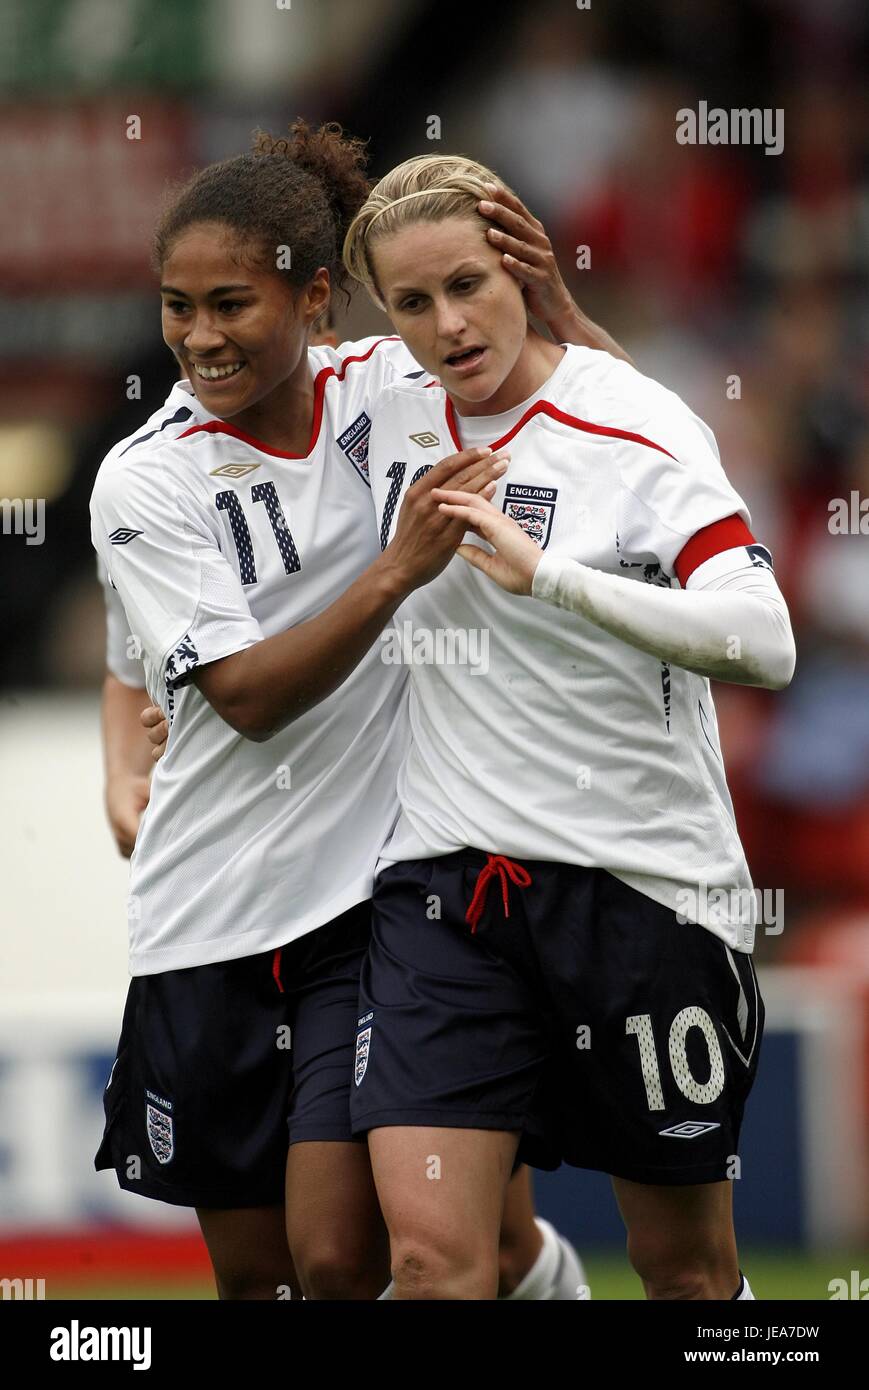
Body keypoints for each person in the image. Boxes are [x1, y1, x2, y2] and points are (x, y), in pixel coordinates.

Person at [92, 121, 614, 1300]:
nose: (198, 336)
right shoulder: (146, 477)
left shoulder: (395, 386)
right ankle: (542, 1274)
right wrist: (120, 759)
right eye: (177, 306)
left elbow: (621, 445)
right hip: (209, 915)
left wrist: (565, 323)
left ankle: (533, 1270)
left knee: (344, 1256)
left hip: (378, 901)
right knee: (261, 1279)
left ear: (316, 296)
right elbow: (235, 692)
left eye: (231, 302)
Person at [341, 152, 797, 1300]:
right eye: (410, 302)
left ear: (520, 268)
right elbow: (230, 346)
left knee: (685, 1270)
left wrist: (549, 578)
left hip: (642, 889)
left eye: (467, 283)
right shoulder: (375, 407)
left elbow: (764, 638)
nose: (446, 324)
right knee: (432, 1261)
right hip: (448, 893)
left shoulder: (633, 420)